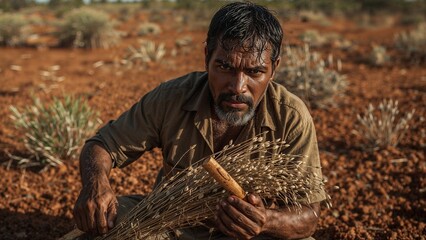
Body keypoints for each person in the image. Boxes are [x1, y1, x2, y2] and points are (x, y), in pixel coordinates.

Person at [73, 2, 326, 240]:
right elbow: (101, 145)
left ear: (274, 68)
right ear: (207, 58)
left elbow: (309, 214)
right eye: (225, 67)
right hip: (171, 225)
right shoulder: (171, 98)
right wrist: (96, 184)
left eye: (254, 72)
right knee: (110, 220)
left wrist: (264, 220)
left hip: (249, 235)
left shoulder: (290, 116)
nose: (238, 86)